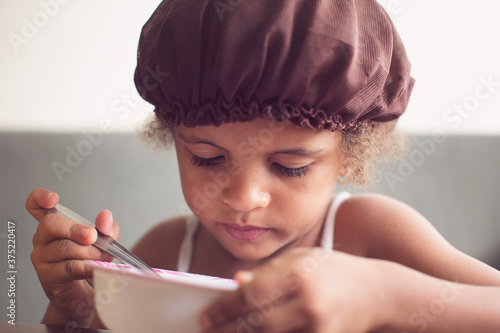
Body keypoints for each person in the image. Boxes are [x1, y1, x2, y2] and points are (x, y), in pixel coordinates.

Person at [27, 0, 500, 332]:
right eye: (206, 158)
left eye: (291, 166)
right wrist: (73, 312)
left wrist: (385, 293)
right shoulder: (164, 252)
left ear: (350, 150)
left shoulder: (370, 236)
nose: (241, 197)